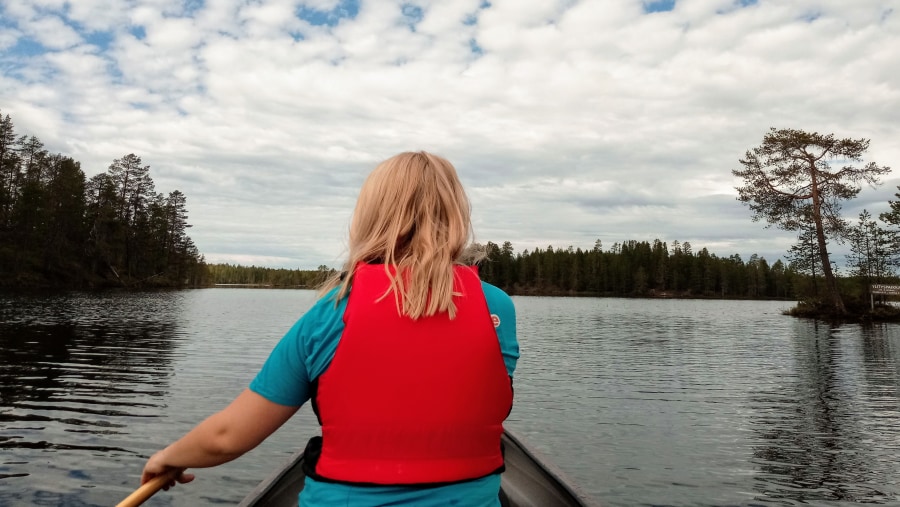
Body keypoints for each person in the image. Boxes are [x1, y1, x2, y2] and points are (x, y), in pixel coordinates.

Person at [140, 151, 519, 506]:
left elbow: (227, 438)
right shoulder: (497, 307)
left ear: (372, 216)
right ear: (455, 213)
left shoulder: (332, 312)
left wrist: (168, 457)